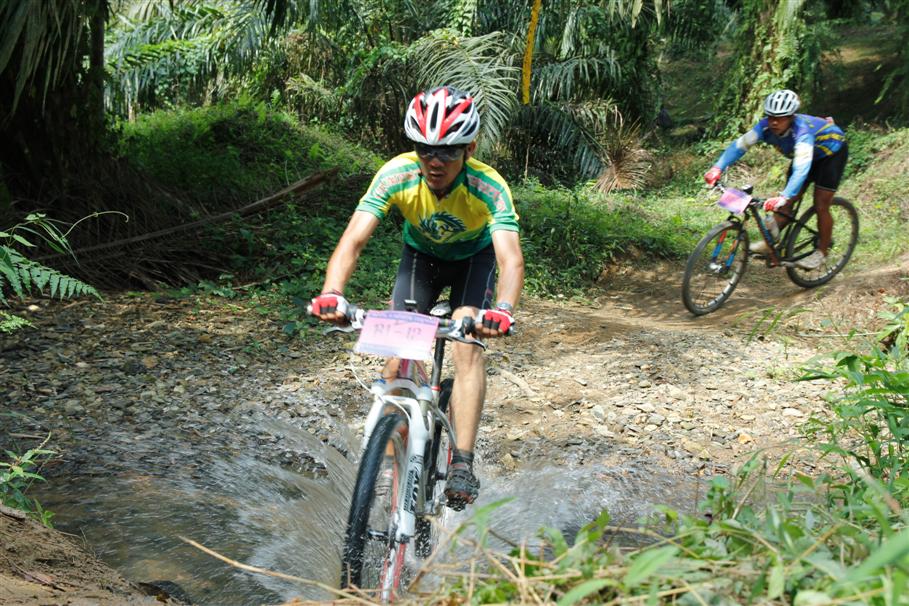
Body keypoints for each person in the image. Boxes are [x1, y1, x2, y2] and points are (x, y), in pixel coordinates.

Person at [309, 86, 525, 511]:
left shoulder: (488, 186)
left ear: (470, 149)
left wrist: (501, 311)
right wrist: (332, 293)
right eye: (425, 149)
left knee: (466, 345)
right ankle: (394, 471)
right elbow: (353, 240)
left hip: (473, 261)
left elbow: (510, 259)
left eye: (447, 151)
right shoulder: (397, 174)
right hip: (420, 259)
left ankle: (462, 461)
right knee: (396, 360)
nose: (434, 161)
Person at [704, 89, 848, 270]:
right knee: (785, 205)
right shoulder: (764, 127)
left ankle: (822, 252)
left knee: (820, 204)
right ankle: (770, 243)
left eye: (780, 118)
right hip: (804, 156)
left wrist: (784, 195)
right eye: (770, 116)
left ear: (791, 117)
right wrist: (717, 167)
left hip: (831, 153)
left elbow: (801, 169)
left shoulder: (802, 132)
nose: (774, 122)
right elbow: (740, 146)